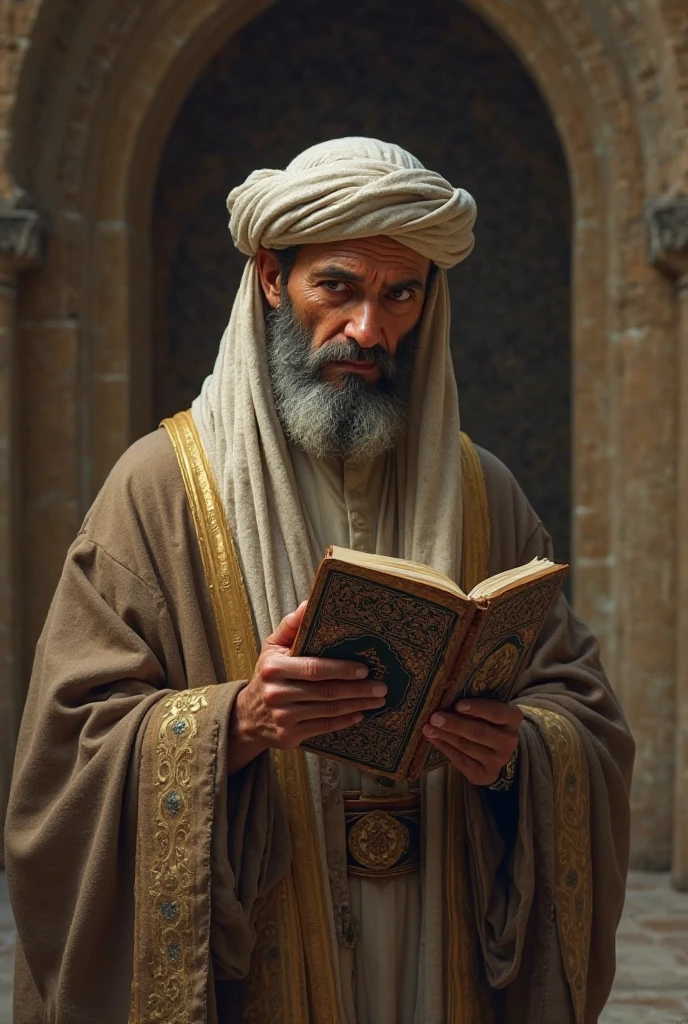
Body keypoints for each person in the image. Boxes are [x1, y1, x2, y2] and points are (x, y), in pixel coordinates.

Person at [5, 137, 633, 1024]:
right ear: (271, 277)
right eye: (336, 287)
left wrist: (517, 754)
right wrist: (238, 721)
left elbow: (585, 716)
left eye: (400, 294)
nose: (369, 330)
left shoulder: (485, 493)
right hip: (266, 949)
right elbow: (65, 757)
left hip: (437, 947)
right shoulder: (158, 490)